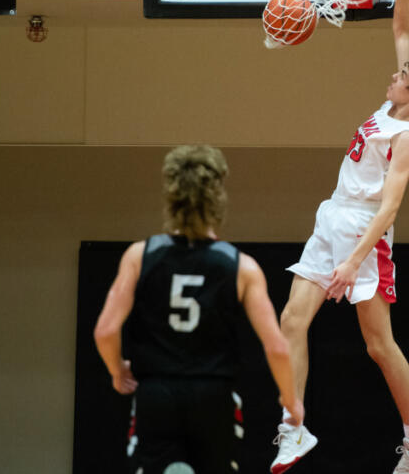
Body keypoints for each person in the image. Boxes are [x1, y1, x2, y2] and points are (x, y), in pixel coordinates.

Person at [270, 0, 409, 474]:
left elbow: (392, 205)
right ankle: (294, 427)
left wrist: (354, 261)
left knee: (379, 345)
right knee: (291, 319)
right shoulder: (401, 103)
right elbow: (403, 24)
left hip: (364, 231)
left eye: (402, 75)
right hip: (332, 215)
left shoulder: (408, 135)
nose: (393, 74)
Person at [94, 145, 303, 474]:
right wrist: (292, 402)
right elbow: (277, 347)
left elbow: (105, 331)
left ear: (171, 197)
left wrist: (117, 369)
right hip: (214, 396)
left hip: (156, 393)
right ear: (218, 200)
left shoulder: (139, 255)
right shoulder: (241, 266)